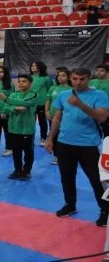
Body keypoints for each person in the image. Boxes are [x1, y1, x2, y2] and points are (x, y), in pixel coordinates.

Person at [44, 68, 109, 227]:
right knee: (66, 177)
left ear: (89, 79)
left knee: (96, 180)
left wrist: (80, 104)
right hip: (65, 142)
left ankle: (105, 211)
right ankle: (70, 205)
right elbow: (57, 118)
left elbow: (101, 117)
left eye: (82, 79)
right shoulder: (63, 95)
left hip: (88, 144)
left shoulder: (99, 95)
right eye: (75, 78)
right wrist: (50, 138)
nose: (78, 82)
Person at [0, 74, 38, 181]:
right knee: (16, 150)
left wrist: (6, 99)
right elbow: (7, 106)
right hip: (14, 127)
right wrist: (14, 108)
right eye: (19, 81)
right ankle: (17, 170)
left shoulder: (33, 95)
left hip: (27, 128)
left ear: (30, 83)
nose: (21, 83)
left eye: (24, 81)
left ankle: (27, 171)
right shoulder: (14, 94)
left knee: (28, 151)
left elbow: (24, 103)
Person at [45, 69, 72, 165]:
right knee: (54, 136)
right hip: (53, 116)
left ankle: (68, 155)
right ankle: (57, 155)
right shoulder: (53, 88)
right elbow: (48, 100)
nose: (60, 77)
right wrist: (47, 111)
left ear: (69, 77)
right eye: (59, 75)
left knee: (66, 136)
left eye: (63, 75)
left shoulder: (71, 89)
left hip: (66, 118)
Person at [0, 66, 14, 156]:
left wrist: (5, 111)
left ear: (5, 73)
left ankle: (9, 148)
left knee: (7, 131)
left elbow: (10, 99)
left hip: (5, 112)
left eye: (1, 72)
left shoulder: (9, 85)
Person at [31, 61, 53, 146]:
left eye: (35, 66)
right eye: (32, 65)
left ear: (40, 67)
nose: (33, 67)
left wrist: (48, 103)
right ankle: (30, 136)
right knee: (30, 121)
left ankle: (43, 138)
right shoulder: (29, 77)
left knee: (42, 122)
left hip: (41, 103)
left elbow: (49, 90)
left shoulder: (46, 78)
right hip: (31, 103)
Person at [90, 64, 109, 138]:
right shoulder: (91, 82)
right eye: (97, 70)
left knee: (107, 133)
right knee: (92, 133)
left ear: (107, 72)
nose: (98, 72)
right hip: (92, 112)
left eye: (101, 71)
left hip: (106, 112)